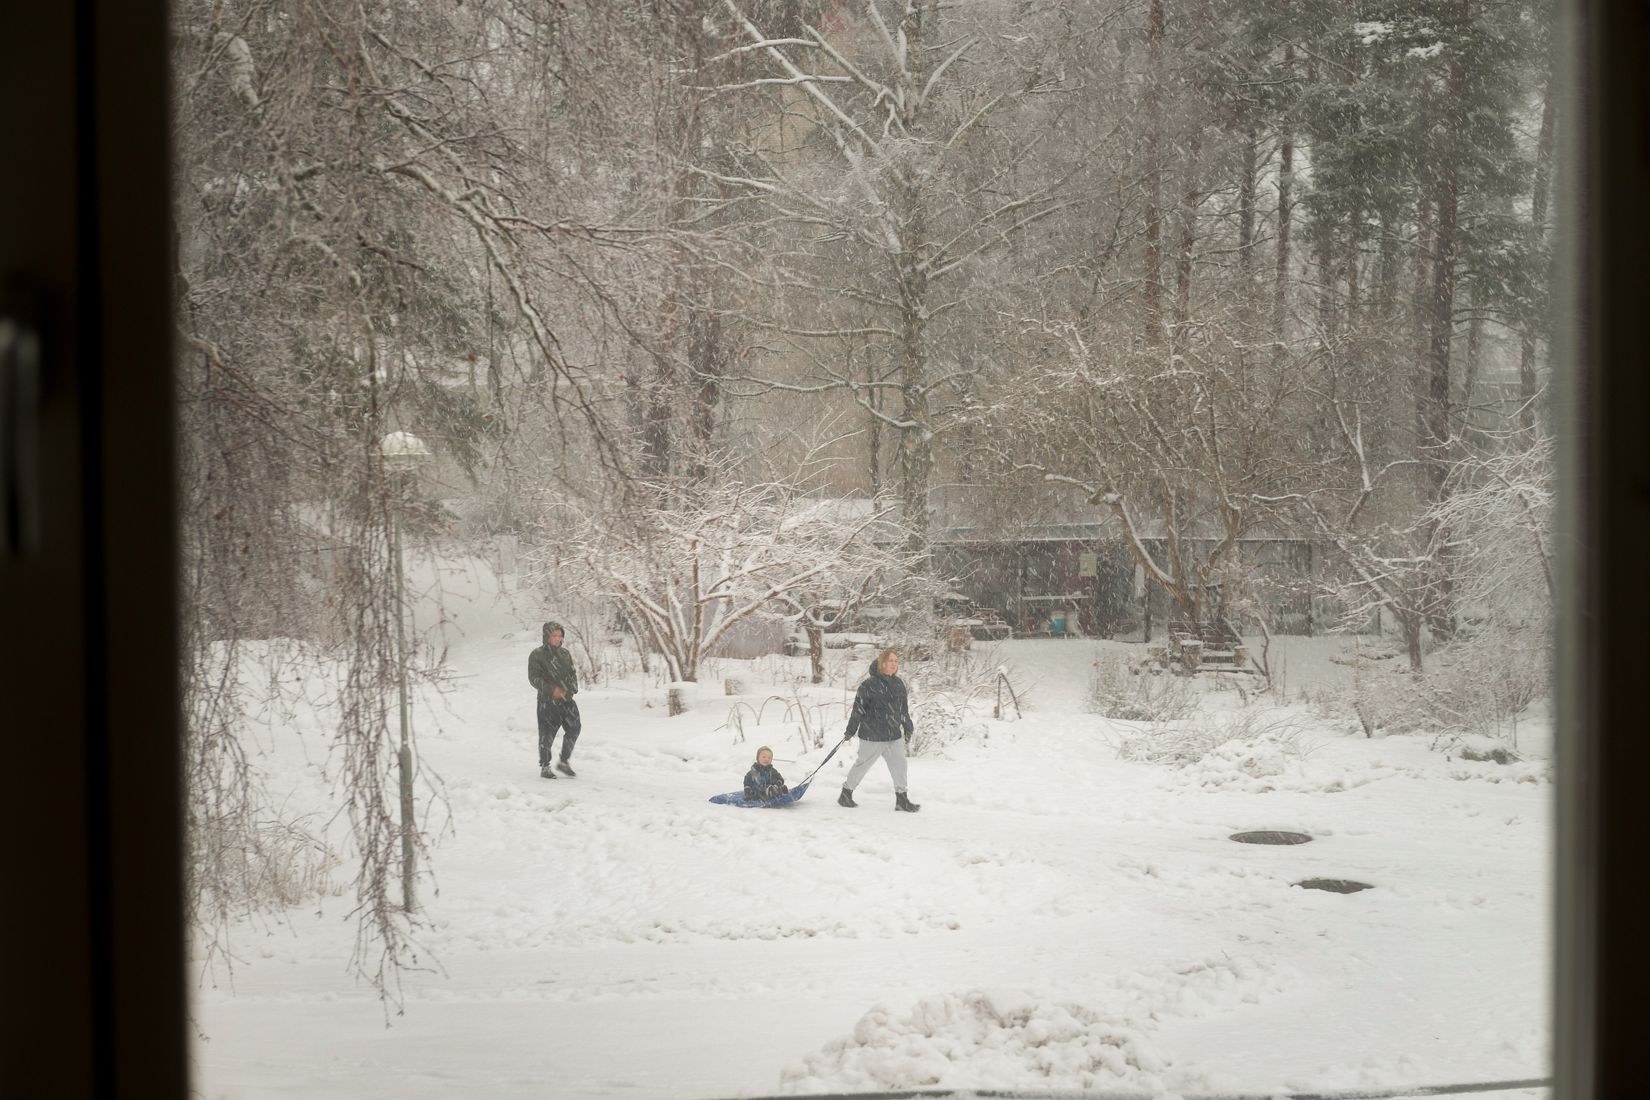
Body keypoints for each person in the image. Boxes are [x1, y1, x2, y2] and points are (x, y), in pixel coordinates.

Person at [838, 647, 920, 812]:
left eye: (896, 661)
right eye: (890, 661)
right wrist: (850, 730)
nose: (894, 664)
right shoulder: (869, 685)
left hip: (893, 735)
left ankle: (901, 799)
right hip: (872, 735)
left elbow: (903, 709)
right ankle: (846, 794)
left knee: (900, 765)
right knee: (862, 765)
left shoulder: (899, 684)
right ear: (882, 663)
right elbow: (858, 710)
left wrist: (907, 725)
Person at [527, 620, 580, 778]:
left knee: (574, 728)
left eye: (560, 635)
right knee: (547, 734)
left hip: (567, 700)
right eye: (554, 635)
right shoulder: (537, 655)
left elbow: (572, 673)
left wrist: (573, 687)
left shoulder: (565, 654)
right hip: (547, 702)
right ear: (546, 636)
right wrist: (552, 690)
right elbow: (533, 678)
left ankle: (563, 761)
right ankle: (545, 766)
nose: (558, 638)